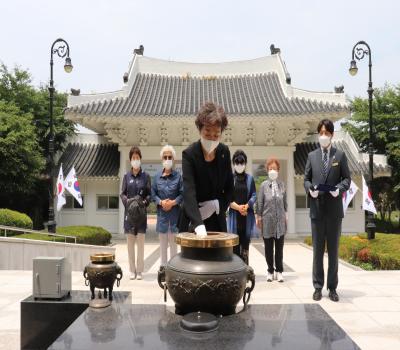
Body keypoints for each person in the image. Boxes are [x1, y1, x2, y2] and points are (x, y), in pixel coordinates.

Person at [304, 119, 351, 302]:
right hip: (316, 210)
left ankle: (332, 288)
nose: (323, 136)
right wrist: (310, 190)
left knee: (333, 251)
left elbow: (347, 179)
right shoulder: (311, 156)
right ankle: (317, 287)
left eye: (326, 133)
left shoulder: (340, 156)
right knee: (317, 252)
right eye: (321, 132)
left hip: (334, 211)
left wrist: (339, 188)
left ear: (332, 134)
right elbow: (306, 179)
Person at [179, 102, 234, 236]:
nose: (212, 138)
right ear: (200, 130)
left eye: (216, 135)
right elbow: (189, 191)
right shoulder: (189, 154)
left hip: (217, 219)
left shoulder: (224, 152)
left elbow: (230, 189)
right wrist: (198, 224)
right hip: (193, 220)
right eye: (207, 133)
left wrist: (217, 205)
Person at [120, 146, 151, 280]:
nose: (135, 160)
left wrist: (144, 203)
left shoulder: (146, 176)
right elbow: (122, 194)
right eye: (133, 158)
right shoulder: (126, 177)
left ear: (140, 159)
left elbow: (149, 195)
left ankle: (140, 271)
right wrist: (128, 203)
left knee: (141, 244)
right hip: (129, 216)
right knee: (130, 244)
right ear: (130, 160)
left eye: (137, 158)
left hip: (141, 215)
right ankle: (132, 270)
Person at [151, 145, 183, 267]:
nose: (167, 159)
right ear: (162, 159)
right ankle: (163, 274)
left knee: (174, 252)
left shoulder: (178, 177)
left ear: (173, 159)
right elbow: (153, 194)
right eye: (165, 157)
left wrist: (173, 203)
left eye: (170, 157)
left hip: (174, 219)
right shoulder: (157, 177)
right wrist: (161, 202)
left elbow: (182, 194)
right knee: (162, 250)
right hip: (162, 219)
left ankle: (174, 274)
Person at [256, 158, 287, 282]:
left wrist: (286, 216)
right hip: (267, 221)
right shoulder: (264, 185)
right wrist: (258, 217)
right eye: (270, 169)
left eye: (274, 168)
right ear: (267, 170)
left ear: (278, 170)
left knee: (279, 249)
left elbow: (285, 203)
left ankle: (279, 271)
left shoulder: (282, 185)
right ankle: (270, 270)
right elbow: (260, 202)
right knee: (268, 249)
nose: (272, 170)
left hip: (280, 221)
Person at [227, 149, 257, 264]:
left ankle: (245, 270)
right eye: (237, 162)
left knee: (245, 246)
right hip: (235, 215)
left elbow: (254, 195)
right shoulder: (230, 179)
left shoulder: (250, 179)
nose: (239, 165)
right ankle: (236, 271)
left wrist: (247, 205)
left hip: (246, 216)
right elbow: (228, 198)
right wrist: (239, 208)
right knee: (234, 245)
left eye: (242, 162)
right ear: (234, 163)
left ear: (245, 163)